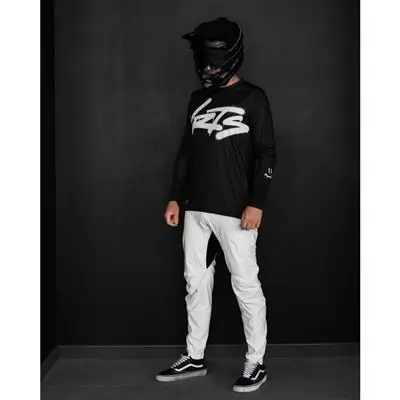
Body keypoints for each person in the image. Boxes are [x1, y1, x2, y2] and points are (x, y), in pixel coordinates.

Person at [156, 17, 277, 393]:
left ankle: (256, 362)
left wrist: (257, 202)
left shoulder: (253, 98)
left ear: (230, 57)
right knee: (195, 283)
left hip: (236, 211)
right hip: (195, 209)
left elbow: (267, 152)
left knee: (246, 285)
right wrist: (175, 197)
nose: (207, 68)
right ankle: (194, 356)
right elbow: (186, 153)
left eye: (213, 61)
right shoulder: (197, 100)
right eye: (203, 61)